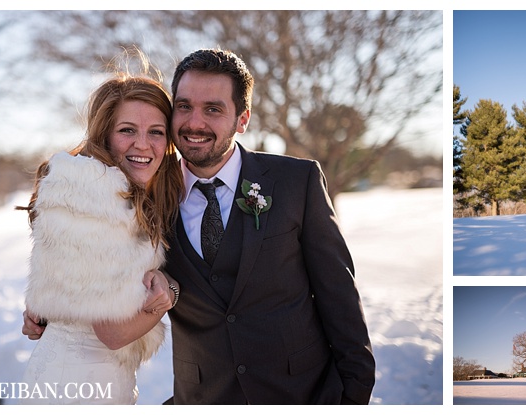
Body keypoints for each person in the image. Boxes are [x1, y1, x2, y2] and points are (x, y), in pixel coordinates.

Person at [24, 48, 375, 404]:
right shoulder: (152, 194)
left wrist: (354, 394)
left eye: (213, 109)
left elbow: (339, 297)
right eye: (185, 106)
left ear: (243, 119)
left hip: (303, 395)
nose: (195, 122)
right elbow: (94, 267)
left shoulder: (295, 182)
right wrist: (52, 308)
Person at [18, 67, 184, 404]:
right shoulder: (92, 196)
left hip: (90, 378)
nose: (143, 144)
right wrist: (171, 293)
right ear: (104, 135)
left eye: (156, 131)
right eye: (127, 130)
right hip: (79, 387)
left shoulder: (120, 194)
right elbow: (114, 331)